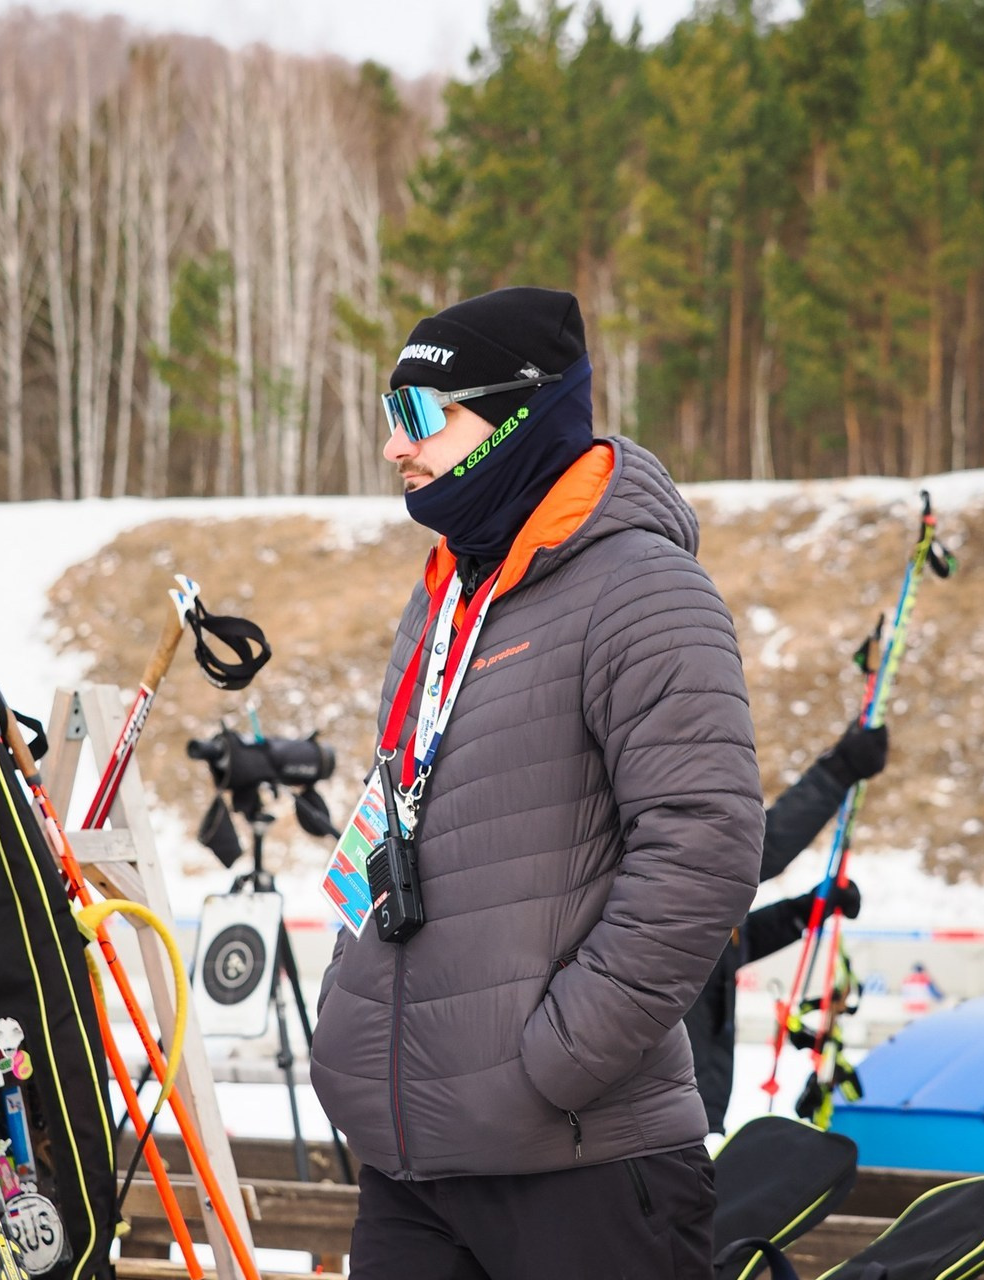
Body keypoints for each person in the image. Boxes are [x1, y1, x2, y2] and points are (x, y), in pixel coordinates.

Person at [309, 286, 765, 1279]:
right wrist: (351, 1009)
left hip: (579, 1164)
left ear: (517, 415)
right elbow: (394, 817)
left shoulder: (642, 589)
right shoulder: (446, 594)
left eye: (420, 414)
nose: (395, 446)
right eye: (390, 414)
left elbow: (704, 842)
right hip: (414, 1166)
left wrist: (555, 1059)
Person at [684, 719, 888, 1133]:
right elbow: (752, 854)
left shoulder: (690, 915)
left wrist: (806, 910)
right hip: (653, 1125)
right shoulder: (663, 882)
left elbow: (729, 945)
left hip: (694, 1118)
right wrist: (836, 774)